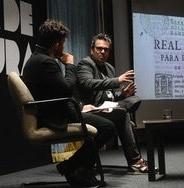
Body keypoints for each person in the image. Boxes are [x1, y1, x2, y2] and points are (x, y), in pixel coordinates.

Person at [22, 20, 115, 187]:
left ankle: (77, 169)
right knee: (107, 127)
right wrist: (70, 65)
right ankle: (72, 166)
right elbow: (66, 89)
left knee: (103, 124)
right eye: (63, 42)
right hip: (56, 117)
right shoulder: (45, 62)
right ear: (56, 44)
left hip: (55, 111)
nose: (64, 46)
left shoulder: (37, 59)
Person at [76, 33, 148, 174]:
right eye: (99, 48)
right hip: (92, 110)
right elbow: (88, 83)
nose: (102, 52)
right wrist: (117, 80)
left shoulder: (109, 68)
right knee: (123, 114)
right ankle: (135, 161)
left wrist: (122, 94)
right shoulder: (85, 64)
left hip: (108, 107)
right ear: (92, 50)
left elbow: (110, 95)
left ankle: (134, 161)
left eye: (106, 49)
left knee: (134, 99)